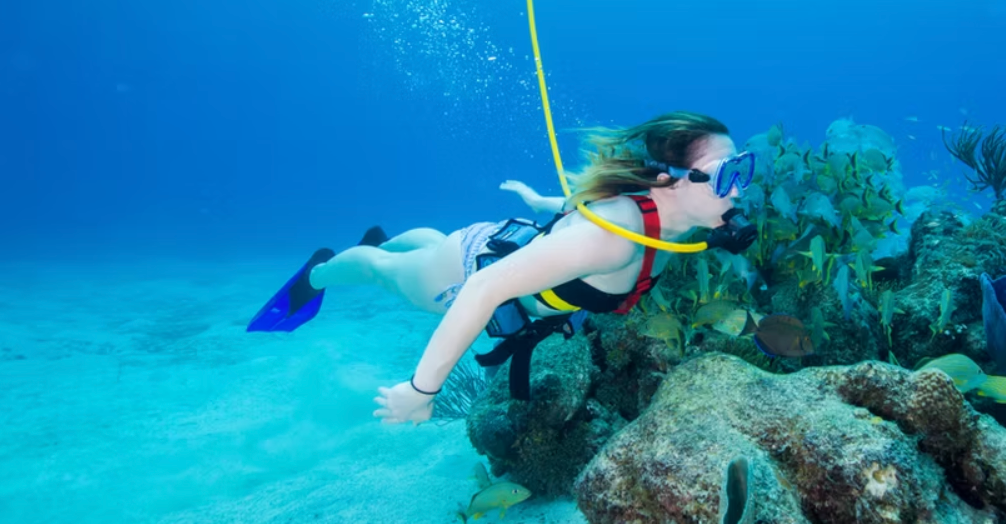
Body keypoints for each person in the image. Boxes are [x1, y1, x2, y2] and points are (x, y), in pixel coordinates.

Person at [245, 111, 756, 425]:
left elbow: (588, 206)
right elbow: (483, 289)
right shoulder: (610, 242)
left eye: (742, 169)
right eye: (722, 175)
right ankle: (318, 273)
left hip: (507, 248)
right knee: (386, 273)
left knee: (428, 247)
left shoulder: (672, 222)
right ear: (668, 180)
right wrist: (420, 392)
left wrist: (540, 200)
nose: (738, 188)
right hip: (465, 272)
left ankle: (391, 241)